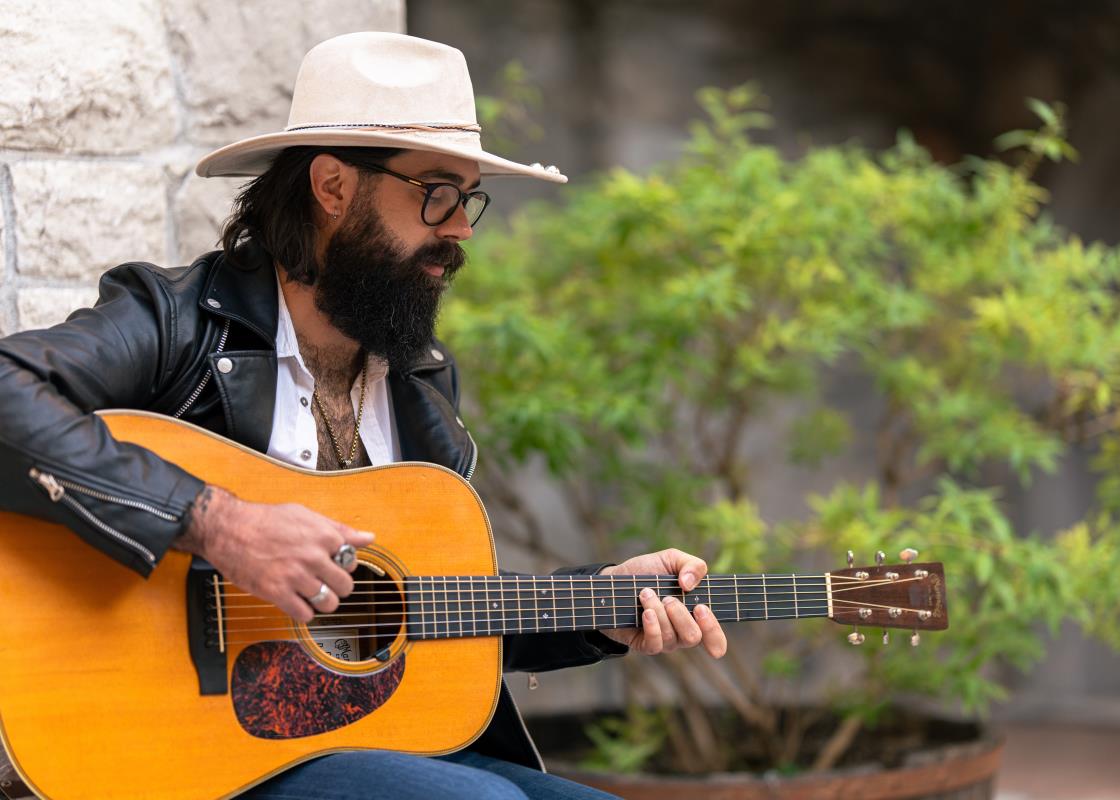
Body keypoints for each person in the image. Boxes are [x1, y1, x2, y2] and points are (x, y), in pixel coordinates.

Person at [0, 32, 728, 800]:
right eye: (436, 193)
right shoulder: (178, 322)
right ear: (333, 187)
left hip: (361, 746)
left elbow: (418, 614)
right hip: (186, 755)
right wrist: (218, 524)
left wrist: (598, 607)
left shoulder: (418, 382)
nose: (461, 227)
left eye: (468, 197)